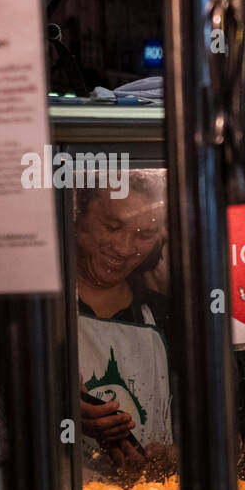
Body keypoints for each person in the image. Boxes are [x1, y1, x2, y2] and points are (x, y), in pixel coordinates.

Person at [75, 172, 173, 473]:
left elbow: (232, 429)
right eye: (112, 227)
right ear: (77, 215)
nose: (124, 248)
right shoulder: (36, 315)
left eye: (144, 234)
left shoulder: (169, 318)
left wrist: (177, 455)